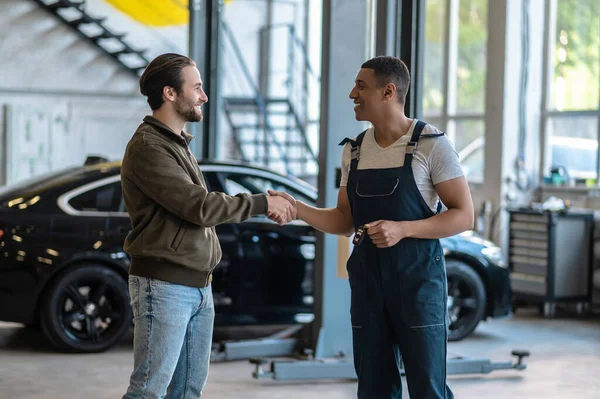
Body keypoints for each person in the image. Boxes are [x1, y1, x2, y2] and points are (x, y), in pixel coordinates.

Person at [269, 55, 474, 398]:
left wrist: (403, 229)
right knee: (373, 385)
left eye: (361, 86)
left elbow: (464, 215)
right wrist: (298, 208)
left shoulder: (431, 145)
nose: (352, 93)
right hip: (368, 283)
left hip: (418, 284)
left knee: (427, 387)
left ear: (388, 91)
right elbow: (344, 220)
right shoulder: (355, 151)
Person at [120, 53, 295, 399]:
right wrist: (261, 202)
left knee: (187, 391)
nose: (204, 96)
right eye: (197, 87)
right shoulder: (149, 147)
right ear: (170, 93)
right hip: (165, 285)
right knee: (148, 391)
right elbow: (198, 206)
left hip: (198, 287)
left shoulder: (177, 143)